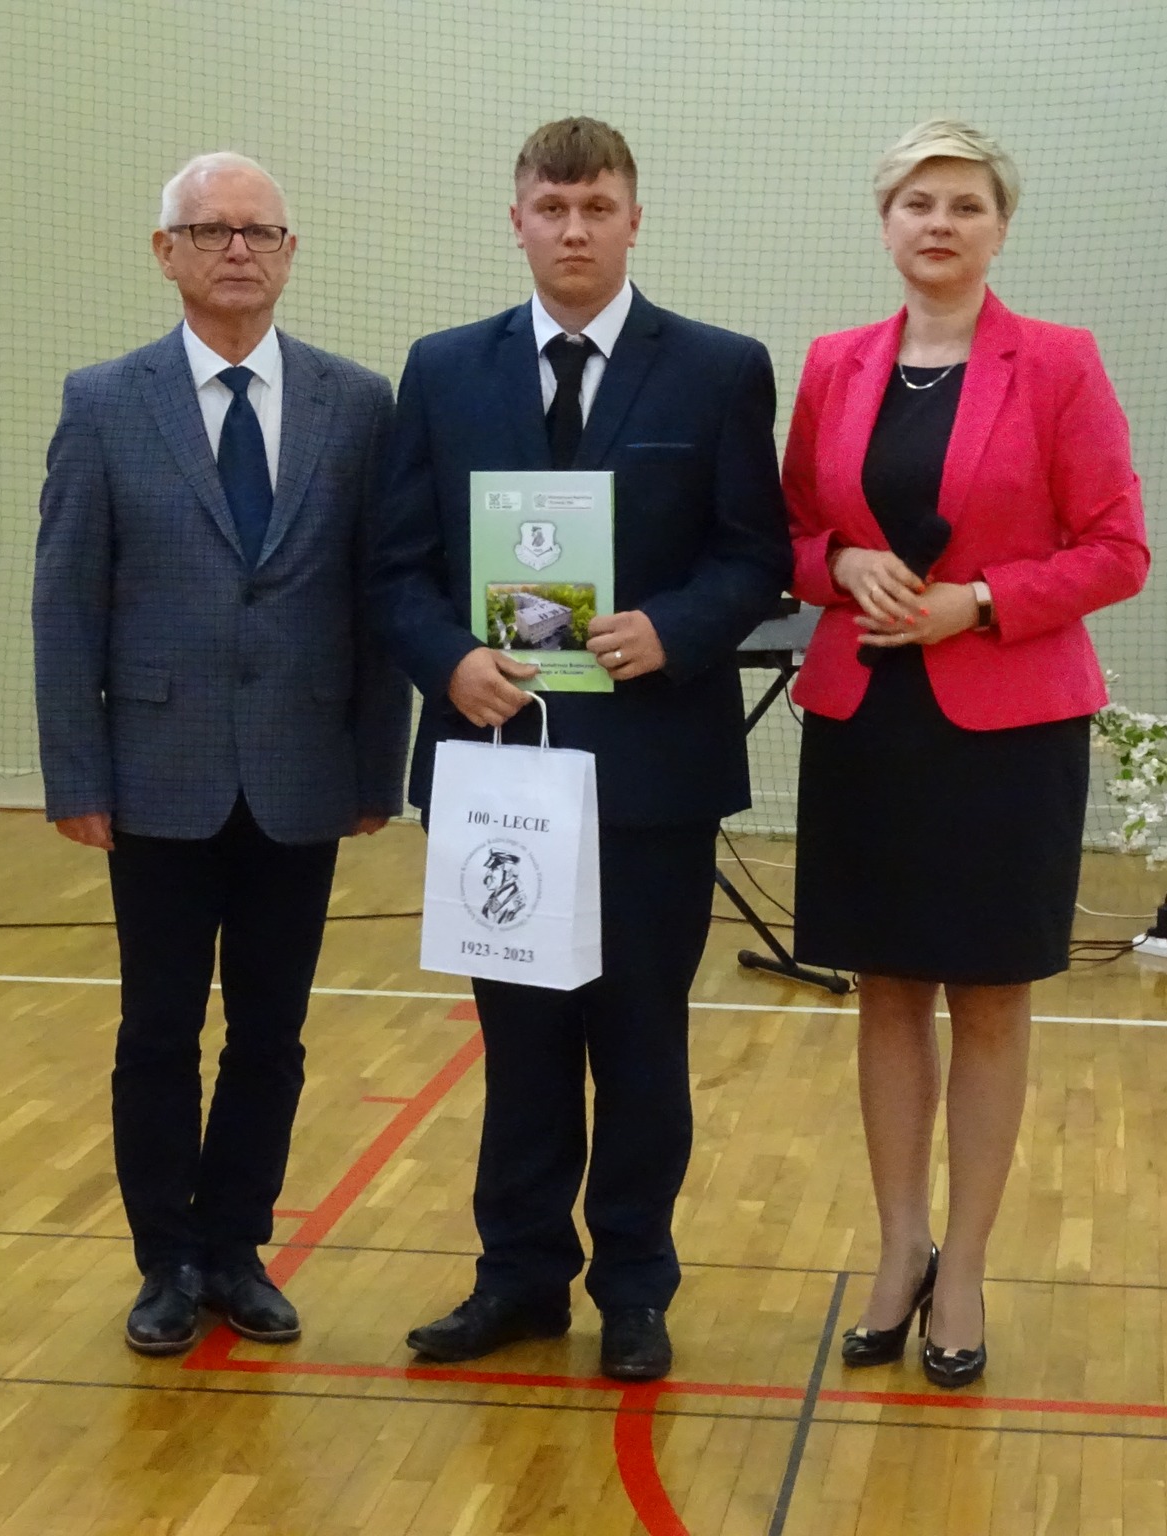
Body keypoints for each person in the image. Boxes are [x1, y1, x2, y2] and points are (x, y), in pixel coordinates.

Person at [375, 117, 790, 1381]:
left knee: (641, 1042)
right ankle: (517, 1279)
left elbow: (755, 557)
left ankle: (634, 1288)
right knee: (521, 1044)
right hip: (497, 762)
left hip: (651, 770)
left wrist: (674, 628)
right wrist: (449, 660)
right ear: (515, 220)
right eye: (550, 208)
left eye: (595, 207)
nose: (572, 229)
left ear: (632, 220)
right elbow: (395, 566)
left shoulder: (718, 369)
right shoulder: (442, 370)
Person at [782, 121, 1150, 1388]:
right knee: (886, 991)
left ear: (1000, 227)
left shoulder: (1057, 362)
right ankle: (899, 1248)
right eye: (916, 202)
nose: (937, 223)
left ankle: (967, 1270)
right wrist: (838, 562)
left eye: (963, 205)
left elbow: (1117, 549)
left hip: (1008, 729)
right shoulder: (833, 364)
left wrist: (978, 603)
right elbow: (789, 531)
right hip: (865, 719)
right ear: (884, 220)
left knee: (987, 997)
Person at [32, 152, 409, 1356]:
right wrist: (76, 775)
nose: (238, 248)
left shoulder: (357, 404)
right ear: (167, 253)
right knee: (156, 1030)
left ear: (291, 253)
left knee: (269, 1031)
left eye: (260, 231)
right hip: (156, 774)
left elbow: (377, 599)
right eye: (210, 229)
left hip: (302, 774)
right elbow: (64, 604)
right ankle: (165, 1262)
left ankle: (238, 1248)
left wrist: (376, 767)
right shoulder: (104, 402)